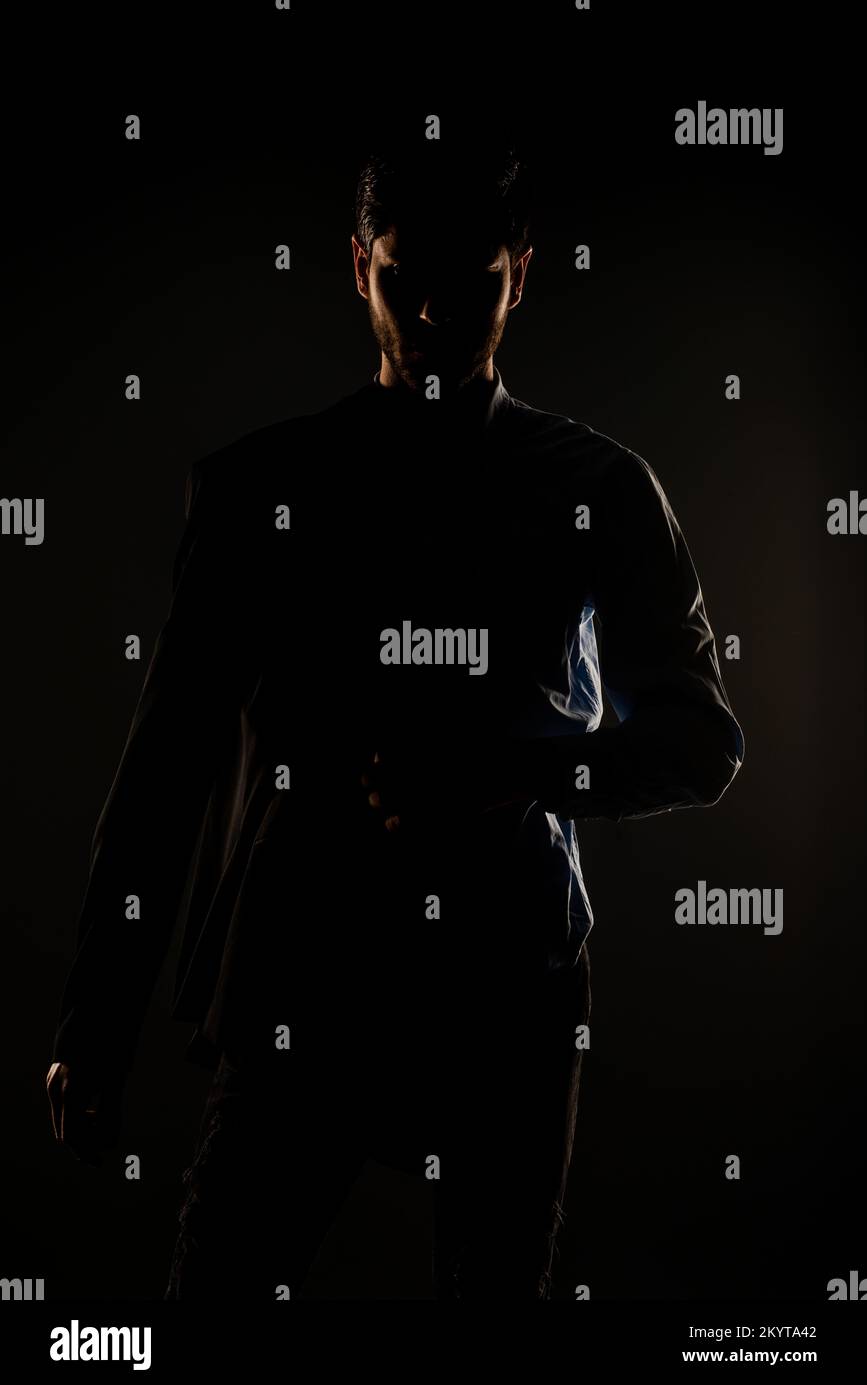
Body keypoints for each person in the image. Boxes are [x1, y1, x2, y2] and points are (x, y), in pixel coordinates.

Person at [47, 136, 744, 1299]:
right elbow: (166, 765)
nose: (433, 309)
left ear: (521, 274)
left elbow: (703, 739)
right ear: (356, 266)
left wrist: (518, 770)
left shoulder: (601, 489)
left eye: (472, 280)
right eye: (402, 275)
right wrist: (95, 1015)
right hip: (302, 986)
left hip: (505, 995)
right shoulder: (257, 491)